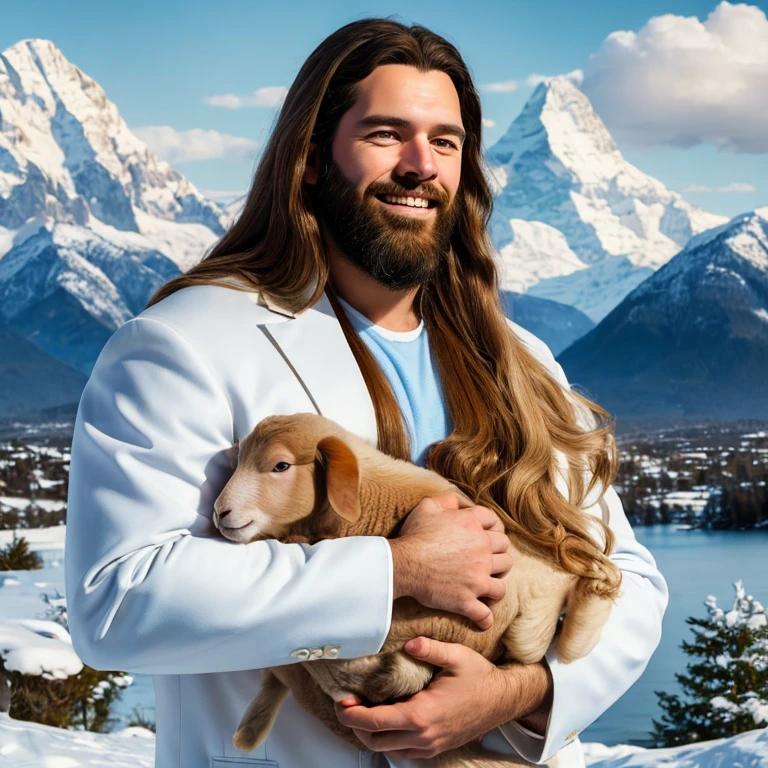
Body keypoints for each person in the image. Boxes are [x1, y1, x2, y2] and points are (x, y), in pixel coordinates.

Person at [65, 18, 668, 768]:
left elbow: (626, 576)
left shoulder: (523, 362)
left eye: (445, 142)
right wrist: (399, 570)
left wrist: (520, 694)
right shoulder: (183, 342)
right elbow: (118, 601)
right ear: (312, 158)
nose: (421, 165)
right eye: (387, 134)